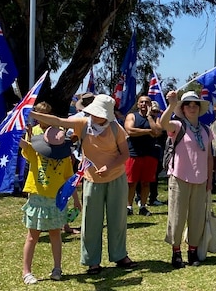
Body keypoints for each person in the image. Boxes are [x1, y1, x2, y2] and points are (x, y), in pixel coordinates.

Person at [30, 94, 138, 275]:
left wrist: (108, 166)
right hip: (91, 178)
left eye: (98, 113)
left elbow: (125, 154)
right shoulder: (83, 123)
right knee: (91, 221)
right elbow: (58, 120)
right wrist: (32, 113)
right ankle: (92, 261)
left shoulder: (115, 128)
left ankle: (120, 256)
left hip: (116, 177)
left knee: (117, 219)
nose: (94, 116)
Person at [160, 90, 214, 268]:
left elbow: (209, 156)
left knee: (197, 217)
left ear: (199, 108)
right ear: (182, 108)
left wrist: (210, 179)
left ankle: (193, 251)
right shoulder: (177, 125)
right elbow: (163, 123)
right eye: (188, 105)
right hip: (179, 177)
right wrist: (171, 105)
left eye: (195, 104)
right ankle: (176, 252)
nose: (192, 108)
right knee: (177, 216)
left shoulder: (206, 130)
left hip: (201, 179)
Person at [19, 125, 78, 284]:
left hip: (56, 200)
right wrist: (20, 130)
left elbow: (69, 180)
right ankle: (26, 272)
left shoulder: (65, 158)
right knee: (32, 236)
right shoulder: (35, 152)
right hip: (37, 199)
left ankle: (57, 268)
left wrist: (77, 201)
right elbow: (19, 143)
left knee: (55, 234)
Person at [125, 95, 161, 217]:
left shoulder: (156, 118)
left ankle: (143, 206)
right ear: (138, 104)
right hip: (133, 153)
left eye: (147, 102)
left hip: (150, 154)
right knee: (131, 182)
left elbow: (157, 132)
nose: (144, 104)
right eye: (142, 102)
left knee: (146, 182)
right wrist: (147, 131)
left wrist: (150, 118)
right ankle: (128, 207)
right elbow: (130, 131)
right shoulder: (132, 116)